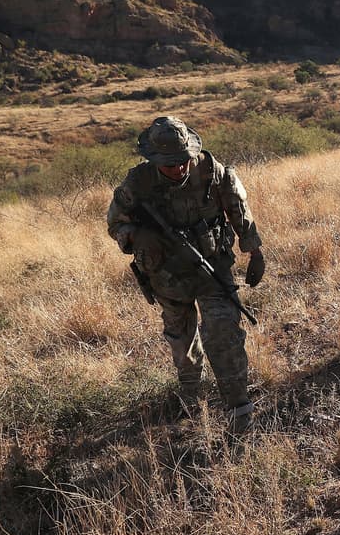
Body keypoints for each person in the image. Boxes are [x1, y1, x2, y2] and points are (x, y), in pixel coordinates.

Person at [107, 116, 265, 433]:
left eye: (182, 161)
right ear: (153, 159)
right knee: (182, 345)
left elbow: (237, 208)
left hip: (212, 269)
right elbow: (115, 224)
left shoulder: (210, 169)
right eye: (169, 164)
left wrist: (254, 249)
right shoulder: (137, 184)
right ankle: (192, 400)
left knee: (223, 333)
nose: (178, 169)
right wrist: (138, 236)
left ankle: (238, 408)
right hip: (167, 278)